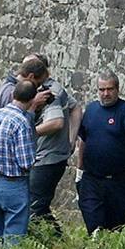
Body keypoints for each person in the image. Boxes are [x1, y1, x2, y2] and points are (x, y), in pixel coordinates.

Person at [76, 70, 125, 234]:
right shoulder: (91, 110)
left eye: (109, 89)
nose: (105, 94)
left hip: (118, 183)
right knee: (94, 225)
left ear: (117, 89)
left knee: (117, 228)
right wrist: (79, 171)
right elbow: (83, 141)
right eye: (102, 90)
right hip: (91, 180)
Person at [23, 53, 82, 233]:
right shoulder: (53, 87)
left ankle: (56, 244)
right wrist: (71, 140)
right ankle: (57, 245)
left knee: (35, 208)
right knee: (39, 206)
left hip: (47, 158)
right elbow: (76, 107)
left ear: (32, 76)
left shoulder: (50, 93)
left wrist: (26, 132)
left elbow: (56, 123)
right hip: (48, 156)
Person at [0, 80, 37, 249]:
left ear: (13, 95)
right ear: (32, 99)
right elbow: (26, 162)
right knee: (14, 239)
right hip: (13, 184)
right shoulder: (21, 123)